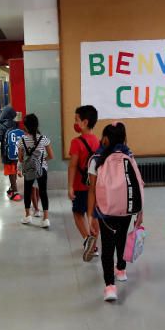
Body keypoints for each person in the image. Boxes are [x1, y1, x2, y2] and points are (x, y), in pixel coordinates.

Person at [86, 122, 142, 302]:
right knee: (122, 238)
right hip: (126, 209)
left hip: (105, 210)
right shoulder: (129, 156)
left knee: (107, 246)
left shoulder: (97, 159)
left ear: (106, 138)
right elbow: (138, 184)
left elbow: (92, 190)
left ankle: (110, 286)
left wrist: (91, 216)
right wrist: (140, 211)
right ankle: (121, 269)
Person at [69, 105, 100, 261]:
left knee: (77, 213)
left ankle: (88, 239)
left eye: (76, 120)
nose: (74, 123)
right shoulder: (98, 141)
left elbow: (73, 165)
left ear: (85, 122)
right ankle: (94, 246)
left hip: (81, 186)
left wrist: (70, 186)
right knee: (93, 214)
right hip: (95, 187)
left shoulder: (76, 142)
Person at [17, 113, 54, 228]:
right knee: (43, 192)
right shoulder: (44, 139)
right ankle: (46, 218)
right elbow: (51, 156)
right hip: (42, 168)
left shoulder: (22, 140)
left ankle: (28, 216)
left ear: (26, 127)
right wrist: (41, 161)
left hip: (28, 170)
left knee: (27, 191)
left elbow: (20, 158)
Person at [0, 105, 23, 201]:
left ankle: (15, 192)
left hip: (6, 153)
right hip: (15, 152)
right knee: (14, 170)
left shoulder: (2, 125)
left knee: (10, 170)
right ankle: (12, 188)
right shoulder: (16, 123)